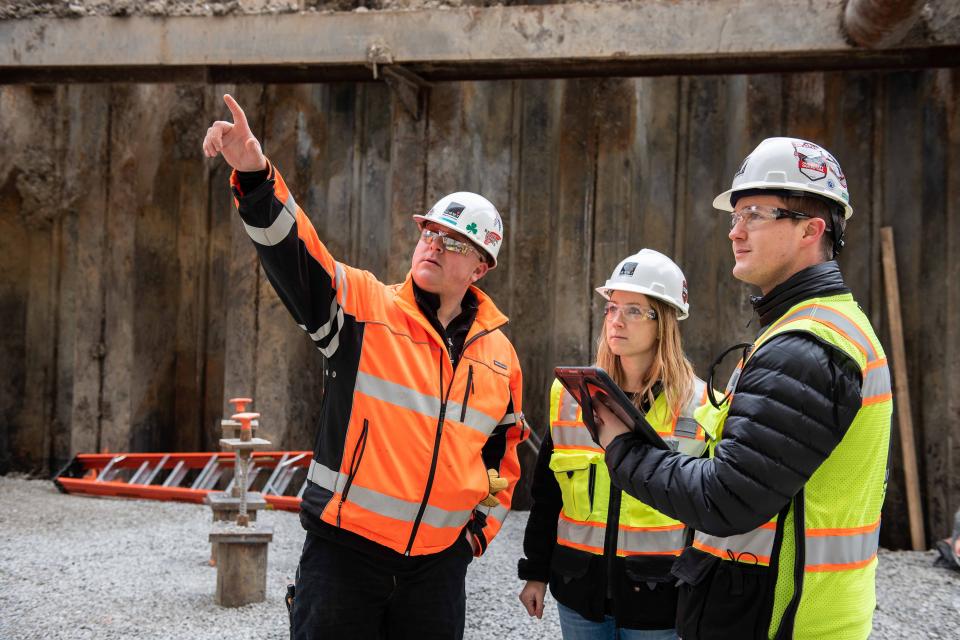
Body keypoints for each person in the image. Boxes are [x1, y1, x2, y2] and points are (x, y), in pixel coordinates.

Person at [202, 94, 527, 640]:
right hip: (343, 558)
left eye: (453, 242)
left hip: (437, 571)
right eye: (429, 233)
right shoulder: (364, 308)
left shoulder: (500, 357)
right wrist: (256, 177)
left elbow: (503, 460)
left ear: (480, 267)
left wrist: (473, 537)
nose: (433, 246)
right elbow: (295, 257)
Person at [594, 137, 893, 640]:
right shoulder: (822, 328)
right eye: (734, 216)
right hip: (797, 610)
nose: (735, 232)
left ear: (810, 230)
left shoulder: (805, 347)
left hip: (782, 619)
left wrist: (621, 446)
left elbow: (725, 500)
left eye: (754, 213)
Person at [518, 249, 712, 638]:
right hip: (578, 591)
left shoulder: (700, 405)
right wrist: (536, 573)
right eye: (612, 308)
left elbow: (711, 514)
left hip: (660, 600)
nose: (616, 321)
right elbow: (547, 496)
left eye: (635, 310)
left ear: (665, 321)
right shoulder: (571, 396)